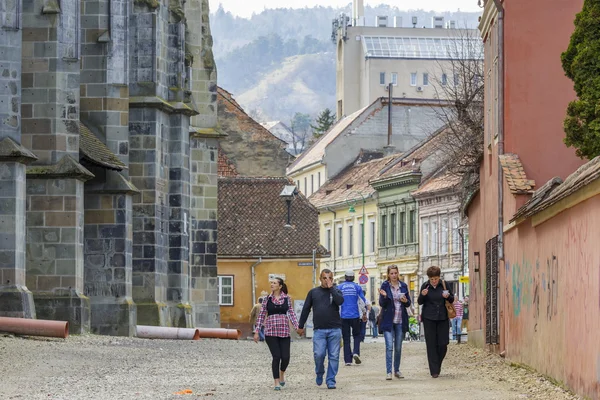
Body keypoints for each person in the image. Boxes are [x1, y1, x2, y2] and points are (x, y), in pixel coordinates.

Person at [298, 269, 344, 390]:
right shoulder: (313, 292)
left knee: (334, 356)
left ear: (332, 279)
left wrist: (332, 288)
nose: (327, 280)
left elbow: (340, 302)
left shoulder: (336, 291)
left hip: (335, 329)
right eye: (325, 278)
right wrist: (300, 325)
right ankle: (319, 372)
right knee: (319, 354)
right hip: (319, 330)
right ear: (320, 278)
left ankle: (331, 380)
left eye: (329, 278)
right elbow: (306, 309)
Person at [254, 277, 299, 391]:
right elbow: (261, 315)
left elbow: (292, 314)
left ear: (280, 286)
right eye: (271, 283)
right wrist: (257, 331)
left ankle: (282, 373)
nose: (272, 284)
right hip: (271, 331)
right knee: (276, 356)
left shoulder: (287, 299)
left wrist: (297, 326)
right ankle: (276, 381)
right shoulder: (266, 299)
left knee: (286, 357)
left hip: (284, 331)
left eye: (274, 283)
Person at [417, 266, 455, 378]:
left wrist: (448, 296)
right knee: (431, 344)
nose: (434, 281)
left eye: (436, 278)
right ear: (429, 278)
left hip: (443, 317)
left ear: (439, 277)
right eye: (432, 279)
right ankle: (434, 370)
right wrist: (422, 295)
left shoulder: (444, 284)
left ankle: (437, 363)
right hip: (429, 318)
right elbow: (419, 302)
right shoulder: (425, 286)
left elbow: (452, 299)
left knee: (443, 343)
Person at [379, 265, 411, 380]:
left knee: (398, 347)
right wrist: (385, 296)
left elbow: (408, 303)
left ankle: (396, 370)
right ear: (388, 274)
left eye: (395, 273)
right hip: (388, 320)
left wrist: (405, 300)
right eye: (391, 273)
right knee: (389, 346)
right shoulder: (385, 285)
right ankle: (389, 372)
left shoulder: (404, 286)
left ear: (398, 273)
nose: (394, 275)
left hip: (400, 320)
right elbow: (382, 303)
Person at [337, 270, 367, 366]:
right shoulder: (357, 287)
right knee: (356, 336)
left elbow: (336, 302)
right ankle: (356, 352)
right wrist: (364, 313)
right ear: (353, 277)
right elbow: (362, 301)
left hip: (343, 316)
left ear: (345, 277)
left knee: (346, 338)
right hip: (355, 315)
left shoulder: (340, 287)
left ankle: (348, 360)